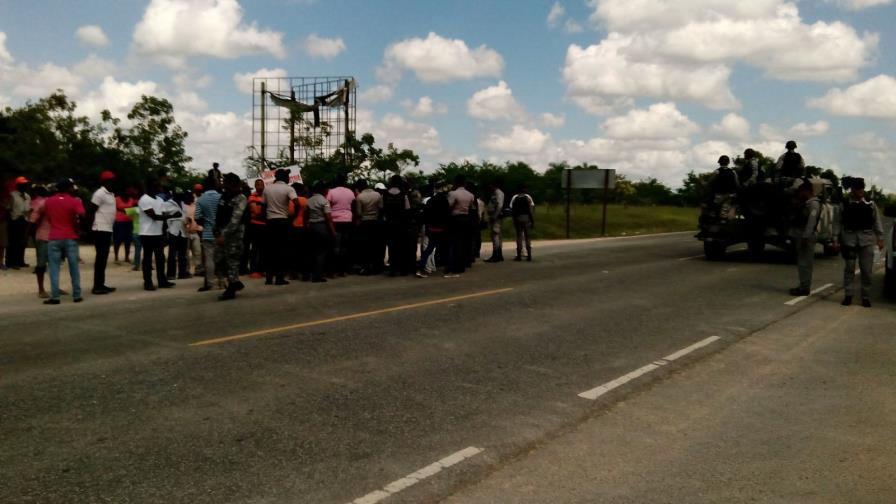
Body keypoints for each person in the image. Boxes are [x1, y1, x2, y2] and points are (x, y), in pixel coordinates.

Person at [834, 177, 884, 307]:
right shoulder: (844, 204)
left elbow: (876, 222)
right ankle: (848, 295)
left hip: (866, 240)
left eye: (862, 188)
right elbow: (837, 222)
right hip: (849, 239)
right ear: (852, 189)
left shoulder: (870, 204)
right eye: (857, 189)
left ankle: (865, 296)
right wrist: (835, 239)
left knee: (866, 270)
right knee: (849, 268)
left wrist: (880, 238)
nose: (860, 191)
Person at [42, 178, 85, 304]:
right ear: (68, 188)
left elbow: (49, 217)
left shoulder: (49, 201)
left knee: (54, 268)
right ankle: (76, 295)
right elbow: (82, 215)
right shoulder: (74, 201)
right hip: (70, 236)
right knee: (73, 267)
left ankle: (55, 296)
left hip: (54, 236)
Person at [138, 180, 179, 291]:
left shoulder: (160, 200)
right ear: (152, 187)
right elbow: (154, 216)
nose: (160, 188)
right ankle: (148, 282)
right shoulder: (144, 199)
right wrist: (171, 216)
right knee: (147, 258)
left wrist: (170, 216)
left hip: (158, 233)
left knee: (160, 258)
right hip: (147, 233)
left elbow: (162, 213)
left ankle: (162, 281)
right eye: (158, 186)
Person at [215, 173, 248, 301]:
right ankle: (234, 282)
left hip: (234, 234)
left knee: (232, 261)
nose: (222, 182)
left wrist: (224, 234)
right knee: (219, 259)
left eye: (225, 181)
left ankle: (231, 288)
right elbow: (220, 214)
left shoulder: (240, 198)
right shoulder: (225, 196)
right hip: (222, 231)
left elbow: (236, 220)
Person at [263, 168, 298, 285]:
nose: (289, 178)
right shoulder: (289, 189)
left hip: (270, 222)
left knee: (270, 251)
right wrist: (292, 217)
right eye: (287, 176)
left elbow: (264, 206)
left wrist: (266, 218)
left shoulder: (267, 189)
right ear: (284, 178)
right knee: (282, 250)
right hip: (283, 221)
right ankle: (279, 278)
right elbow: (297, 204)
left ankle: (268, 278)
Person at [789, 181, 821, 297]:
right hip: (803, 234)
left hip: (807, 236)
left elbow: (811, 222)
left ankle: (804, 288)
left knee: (805, 263)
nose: (800, 194)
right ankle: (803, 285)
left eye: (801, 192)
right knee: (802, 263)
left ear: (806, 191)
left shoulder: (813, 204)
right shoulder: (807, 203)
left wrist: (805, 237)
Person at [89, 170, 118, 295]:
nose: (113, 182)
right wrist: (90, 228)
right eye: (111, 180)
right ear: (105, 181)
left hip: (107, 228)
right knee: (101, 258)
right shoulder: (100, 193)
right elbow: (91, 210)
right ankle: (97, 286)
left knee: (103, 258)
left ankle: (101, 283)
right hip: (100, 228)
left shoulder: (110, 193)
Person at [417, 183, 451, 278]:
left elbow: (426, 216)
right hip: (442, 229)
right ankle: (448, 271)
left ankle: (421, 269)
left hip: (432, 229)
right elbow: (447, 216)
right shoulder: (444, 200)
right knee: (445, 250)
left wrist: (427, 228)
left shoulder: (430, 201)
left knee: (428, 250)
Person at [194, 176, 222, 292]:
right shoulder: (221, 197)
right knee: (220, 258)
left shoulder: (201, 199)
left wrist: (206, 223)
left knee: (209, 259)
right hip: (221, 233)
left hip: (208, 233)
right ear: (215, 185)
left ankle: (210, 283)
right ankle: (222, 281)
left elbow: (197, 217)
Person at [383, 175, 413, 276]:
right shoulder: (404, 194)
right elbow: (408, 210)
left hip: (390, 224)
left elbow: (383, 209)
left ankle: (392, 269)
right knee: (402, 246)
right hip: (401, 224)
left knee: (392, 247)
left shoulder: (385, 194)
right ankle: (403, 269)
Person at [445, 175, 475, 277]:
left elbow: (449, 206)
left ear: (455, 182)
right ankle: (462, 265)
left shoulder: (453, 193)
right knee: (463, 242)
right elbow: (471, 208)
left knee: (453, 243)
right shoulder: (470, 195)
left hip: (455, 219)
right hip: (466, 218)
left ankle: (453, 266)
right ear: (464, 183)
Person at [307, 181, 335, 283]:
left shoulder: (308, 200)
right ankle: (318, 276)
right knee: (321, 252)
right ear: (323, 190)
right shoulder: (324, 201)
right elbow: (328, 218)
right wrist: (333, 231)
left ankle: (311, 273)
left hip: (311, 227)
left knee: (313, 251)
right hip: (321, 227)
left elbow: (306, 215)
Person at [327, 174, 356, 277]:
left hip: (335, 221)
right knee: (344, 246)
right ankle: (342, 270)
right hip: (348, 220)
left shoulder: (331, 191)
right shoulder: (350, 192)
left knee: (335, 246)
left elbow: (327, 206)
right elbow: (353, 205)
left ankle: (333, 269)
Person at [354, 179, 384, 275]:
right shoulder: (377, 195)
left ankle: (366, 268)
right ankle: (376, 267)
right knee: (375, 245)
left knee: (365, 246)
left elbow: (358, 213)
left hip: (365, 223)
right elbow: (381, 208)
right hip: (375, 222)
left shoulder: (359, 197)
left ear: (359, 187)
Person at [28, 185, 51, 298]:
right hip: (45, 236)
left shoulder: (43, 202)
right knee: (44, 264)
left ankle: (44, 289)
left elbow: (32, 220)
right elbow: (33, 220)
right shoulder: (43, 203)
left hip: (47, 236)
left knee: (46, 264)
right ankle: (42, 289)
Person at [7, 176, 32, 269]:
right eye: (22, 184)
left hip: (24, 219)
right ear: (18, 185)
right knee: (13, 241)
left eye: (25, 184)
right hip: (15, 219)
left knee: (23, 241)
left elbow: (29, 209)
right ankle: (11, 262)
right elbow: (9, 208)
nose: (25, 186)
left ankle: (20, 260)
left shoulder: (27, 196)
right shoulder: (12, 195)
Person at [243, 179, 266, 278]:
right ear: (255, 186)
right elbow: (256, 212)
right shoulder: (252, 197)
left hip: (265, 225)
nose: (261, 186)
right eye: (259, 185)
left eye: (262, 184)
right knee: (255, 248)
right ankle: (254, 270)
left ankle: (262, 269)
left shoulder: (265, 196)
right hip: (255, 225)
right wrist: (264, 207)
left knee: (263, 249)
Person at [164, 191, 190, 280]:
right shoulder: (167, 204)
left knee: (183, 254)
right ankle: (171, 274)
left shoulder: (183, 204)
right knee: (172, 254)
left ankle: (182, 273)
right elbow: (164, 215)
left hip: (183, 231)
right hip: (173, 231)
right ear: (174, 196)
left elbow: (185, 215)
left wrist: (187, 220)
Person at [288, 182, 309, 280]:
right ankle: (305, 274)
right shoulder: (305, 200)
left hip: (293, 227)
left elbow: (290, 214)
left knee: (293, 251)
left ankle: (293, 273)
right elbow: (307, 214)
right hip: (303, 227)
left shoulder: (291, 201)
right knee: (304, 251)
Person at [510, 186, 535, 262]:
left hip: (518, 218)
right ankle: (529, 255)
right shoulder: (527, 198)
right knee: (527, 237)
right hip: (526, 218)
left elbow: (513, 210)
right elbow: (530, 210)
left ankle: (519, 255)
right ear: (524, 191)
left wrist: (514, 219)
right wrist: (532, 221)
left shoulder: (515, 199)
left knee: (519, 236)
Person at [182, 191, 203, 277]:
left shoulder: (195, 206)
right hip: (185, 233)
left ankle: (198, 269)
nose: (192, 198)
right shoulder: (182, 206)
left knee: (197, 252)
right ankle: (186, 270)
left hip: (195, 232)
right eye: (190, 197)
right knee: (186, 254)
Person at [113, 188, 137, 264]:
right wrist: (126, 211)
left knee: (128, 240)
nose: (127, 194)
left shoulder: (131, 200)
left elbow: (134, 208)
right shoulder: (117, 199)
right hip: (119, 222)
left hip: (129, 222)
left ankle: (127, 257)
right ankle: (116, 257)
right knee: (118, 240)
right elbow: (114, 208)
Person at [484, 183, 505, 262]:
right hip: (494, 215)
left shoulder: (498, 193)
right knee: (497, 235)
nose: (489, 187)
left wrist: (495, 216)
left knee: (495, 234)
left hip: (496, 216)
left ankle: (496, 255)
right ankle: (498, 255)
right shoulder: (495, 193)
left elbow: (499, 205)